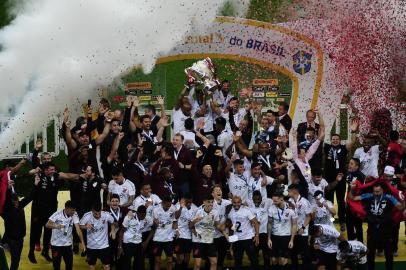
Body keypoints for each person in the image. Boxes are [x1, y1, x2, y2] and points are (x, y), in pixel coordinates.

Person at [28, 162, 80, 264]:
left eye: (54, 169)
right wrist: (35, 170)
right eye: (51, 169)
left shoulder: (56, 176)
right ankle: (31, 253)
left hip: (51, 209)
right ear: (46, 170)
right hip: (38, 209)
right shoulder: (40, 175)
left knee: (48, 231)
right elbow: (30, 172)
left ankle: (45, 252)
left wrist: (80, 176)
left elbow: (68, 175)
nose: (53, 171)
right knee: (35, 231)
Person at [349, 182, 404, 270]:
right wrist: (352, 188)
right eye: (375, 191)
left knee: (389, 254)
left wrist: (402, 200)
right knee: (370, 254)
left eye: (378, 192)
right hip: (372, 229)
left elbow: (400, 208)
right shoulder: (369, 196)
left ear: (382, 190)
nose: (376, 194)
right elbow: (353, 198)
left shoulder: (389, 197)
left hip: (386, 229)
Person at [323, 118, 359, 231]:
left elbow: (352, 142)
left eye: (337, 139)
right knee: (329, 201)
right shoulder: (327, 147)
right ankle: (330, 220)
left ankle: (342, 221)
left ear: (340, 140)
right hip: (329, 179)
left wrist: (353, 131)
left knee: (340, 201)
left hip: (341, 178)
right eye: (333, 139)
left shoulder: (343, 148)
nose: (335, 141)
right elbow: (319, 139)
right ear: (330, 140)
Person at [46, 200, 86, 270]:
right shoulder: (57, 214)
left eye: (74, 210)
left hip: (67, 245)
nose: (74, 212)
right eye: (72, 210)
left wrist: (82, 243)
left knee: (69, 266)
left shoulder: (74, 214)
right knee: (56, 267)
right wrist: (57, 226)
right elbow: (47, 224)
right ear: (66, 209)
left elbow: (78, 229)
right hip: (56, 245)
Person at [190, 194, 223, 270]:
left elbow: (217, 225)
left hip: (209, 240)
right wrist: (195, 220)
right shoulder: (197, 211)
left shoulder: (215, 212)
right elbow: (190, 225)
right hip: (198, 241)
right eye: (208, 202)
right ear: (204, 202)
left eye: (212, 202)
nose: (210, 204)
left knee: (214, 262)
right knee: (198, 265)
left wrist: (222, 228)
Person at [80, 203, 117, 270]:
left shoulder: (106, 215)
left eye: (99, 213)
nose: (98, 216)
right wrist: (85, 227)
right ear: (92, 211)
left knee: (106, 266)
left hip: (104, 246)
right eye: (95, 214)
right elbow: (80, 225)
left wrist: (112, 231)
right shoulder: (87, 216)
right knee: (92, 266)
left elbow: (113, 222)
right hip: (91, 246)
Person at [267, 192, 298, 270]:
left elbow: (294, 225)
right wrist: (269, 239)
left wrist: (292, 240)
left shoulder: (291, 208)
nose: (274, 203)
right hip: (275, 236)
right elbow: (269, 223)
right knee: (274, 260)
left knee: (283, 260)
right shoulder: (271, 208)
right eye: (273, 201)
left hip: (286, 236)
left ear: (281, 199)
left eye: (276, 201)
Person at [227, 196, 259, 268]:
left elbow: (256, 223)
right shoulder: (230, 212)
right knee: (237, 262)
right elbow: (230, 224)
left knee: (254, 260)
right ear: (232, 202)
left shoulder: (246, 210)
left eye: (238, 202)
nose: (236, 204)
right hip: (237, 239)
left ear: (241, 202)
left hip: (248, 238)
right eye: (234, 202)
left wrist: (257, 236)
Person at [119, 205, 152, 270]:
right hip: (128, 243)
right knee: (126, 264)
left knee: (139, 264)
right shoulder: (129, 217)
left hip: (139, 243)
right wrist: (120, 246)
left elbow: (154, 227)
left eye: (144, 215)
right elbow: (121, 231)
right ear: (137, 213)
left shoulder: (147, 218)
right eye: (141, 215)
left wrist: (146, 242)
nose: (143, 217)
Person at [288, 184, 312, 270]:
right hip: (293, 230)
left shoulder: (304, 202)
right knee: (293, 251)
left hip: (302, 231)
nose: (287, 192)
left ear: (295, 191)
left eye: (289, 191)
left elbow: (309, 216)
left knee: (304, 253)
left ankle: (306, 267)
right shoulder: (289, 201)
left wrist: (303, 227)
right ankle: (294, 267)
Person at [248, 190, 272, 269]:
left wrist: (289, 204)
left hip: (264, 233)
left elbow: (278, 200)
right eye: (254, 200)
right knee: (254, 257)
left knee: (266, 256)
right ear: (252, 199)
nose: (256, 201)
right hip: (254, 235)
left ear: (261, 198)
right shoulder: (249, 206)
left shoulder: (268, 202)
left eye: (258, 199)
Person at [152, 195, 177, 270]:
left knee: (169, 261)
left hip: (168, 239)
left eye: (169, 205)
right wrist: (155, 223)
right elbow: (154, 224)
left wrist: (176, 231)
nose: (168, 207)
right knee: (157, 261)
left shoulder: (173, 208)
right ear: (162, 203)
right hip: (157, 239)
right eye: (167, 205)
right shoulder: (156, 209)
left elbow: (175, 222)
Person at [174, 194, 197, 270]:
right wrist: (181, 207)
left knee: (187, 256)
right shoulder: (178, 206)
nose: (189, 203)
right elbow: (176, 217)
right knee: (180, 257)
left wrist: (192, 224)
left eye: (191, 201)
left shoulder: (195, 208)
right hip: (179, 235)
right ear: (185, 200)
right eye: (188, 201)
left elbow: (195, 222)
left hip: (189, 236)